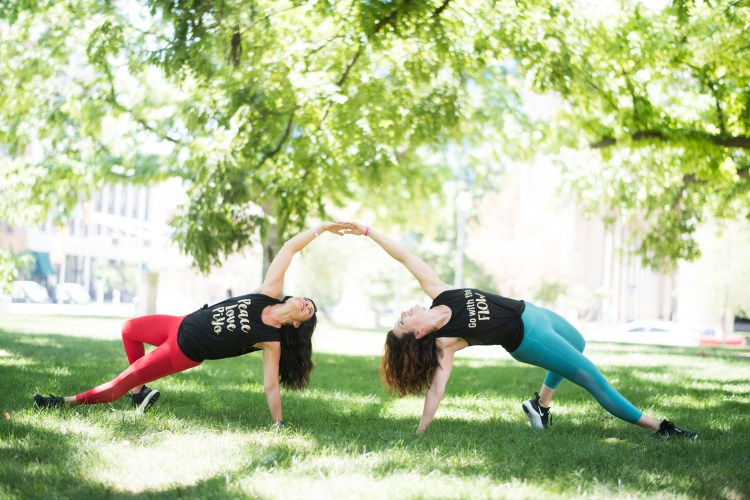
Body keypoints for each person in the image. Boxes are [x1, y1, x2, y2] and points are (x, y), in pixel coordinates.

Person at [339, 221, 698, 439]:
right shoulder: (444, 344)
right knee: (594, 380)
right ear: (417, 334)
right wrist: (421, 431)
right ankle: (660, 428)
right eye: (403, 321)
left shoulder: (440, 293)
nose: (404, 312)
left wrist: (368, 232)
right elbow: (436, 390)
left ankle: (539, 406)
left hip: (533, 311)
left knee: (578, 341)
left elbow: (406, 257)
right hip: (530, 339)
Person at [34, 222, 349, 427]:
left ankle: (62, 402)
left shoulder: (272, 339)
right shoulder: (266, 294)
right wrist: (321, 229)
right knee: (129, 329)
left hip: (182, 350)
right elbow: (288, 249)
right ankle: (141, 393)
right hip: (179, 323)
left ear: (297, 324)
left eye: (309, 310)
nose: (306, 304)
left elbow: (270, 385)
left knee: (120, 384)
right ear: (293, 298)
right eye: (306, 300)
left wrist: (278, 424)